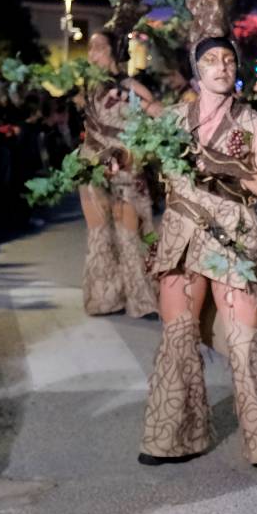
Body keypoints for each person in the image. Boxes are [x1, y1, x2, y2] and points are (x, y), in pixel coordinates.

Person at [137, 36, 257, 469]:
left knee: (244, 344)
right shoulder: (170, 123)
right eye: (211, 60)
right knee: (177, 341)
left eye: (228, 60)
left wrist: (225, 166)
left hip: (231, 240)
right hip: (180, 239)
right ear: (197, 71)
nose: (221, 67)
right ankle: (171, 439)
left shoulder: (255, 125)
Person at [77, 30, 160, 318]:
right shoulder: (87, 87)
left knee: (131, 235)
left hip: (126, 167)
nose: (92, 54)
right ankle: (105, 298)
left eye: (99, 47)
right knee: (99, 235)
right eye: (90, 48)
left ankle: (141, 298)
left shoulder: (131, 87)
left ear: (114, 51)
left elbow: (157, 114)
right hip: (92, 166)